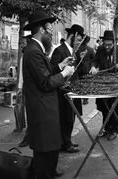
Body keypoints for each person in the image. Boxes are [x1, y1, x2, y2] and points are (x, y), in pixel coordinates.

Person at [22, 10, 75, 179]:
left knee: (51, 146)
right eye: (50, 27)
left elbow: (44, 72)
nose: (52, 31)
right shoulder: (32, 51)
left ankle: (50, 171)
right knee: (44, 151)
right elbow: (45, 82)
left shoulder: (36, 49)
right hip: (41, 109)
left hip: (46, 108)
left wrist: (60, 66)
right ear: (42, 30)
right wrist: (65, 74)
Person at [50, 24, 85, 153]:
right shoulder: (60, 50)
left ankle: (67, 140)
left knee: (71, 117)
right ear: (72, 36)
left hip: (73, 89)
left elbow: (76, 70)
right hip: (63, 91)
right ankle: (64, 143)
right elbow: (54, 69)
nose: (80, 42)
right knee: (66, 117)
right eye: (79, 39)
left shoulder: (73, 51)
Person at [89, 30, 118, 141]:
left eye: (109, 45)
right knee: (104, 106)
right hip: (104, 83)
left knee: (116, 107)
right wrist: (93, 67)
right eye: (105, 44)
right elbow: (95, 61)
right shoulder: (101, 49)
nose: (107, 47)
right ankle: (106, 128)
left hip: (117, 83)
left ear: (114, 43)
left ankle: (114, 130)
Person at [76, 35, 95, 105]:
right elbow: (94, 59)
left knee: (80, 83)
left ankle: (80, 96)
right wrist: (92, 66)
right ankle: (85, 98)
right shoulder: (90, 49)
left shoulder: (77, 49)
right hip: (87, 69)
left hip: (79, 69)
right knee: (86, 84)